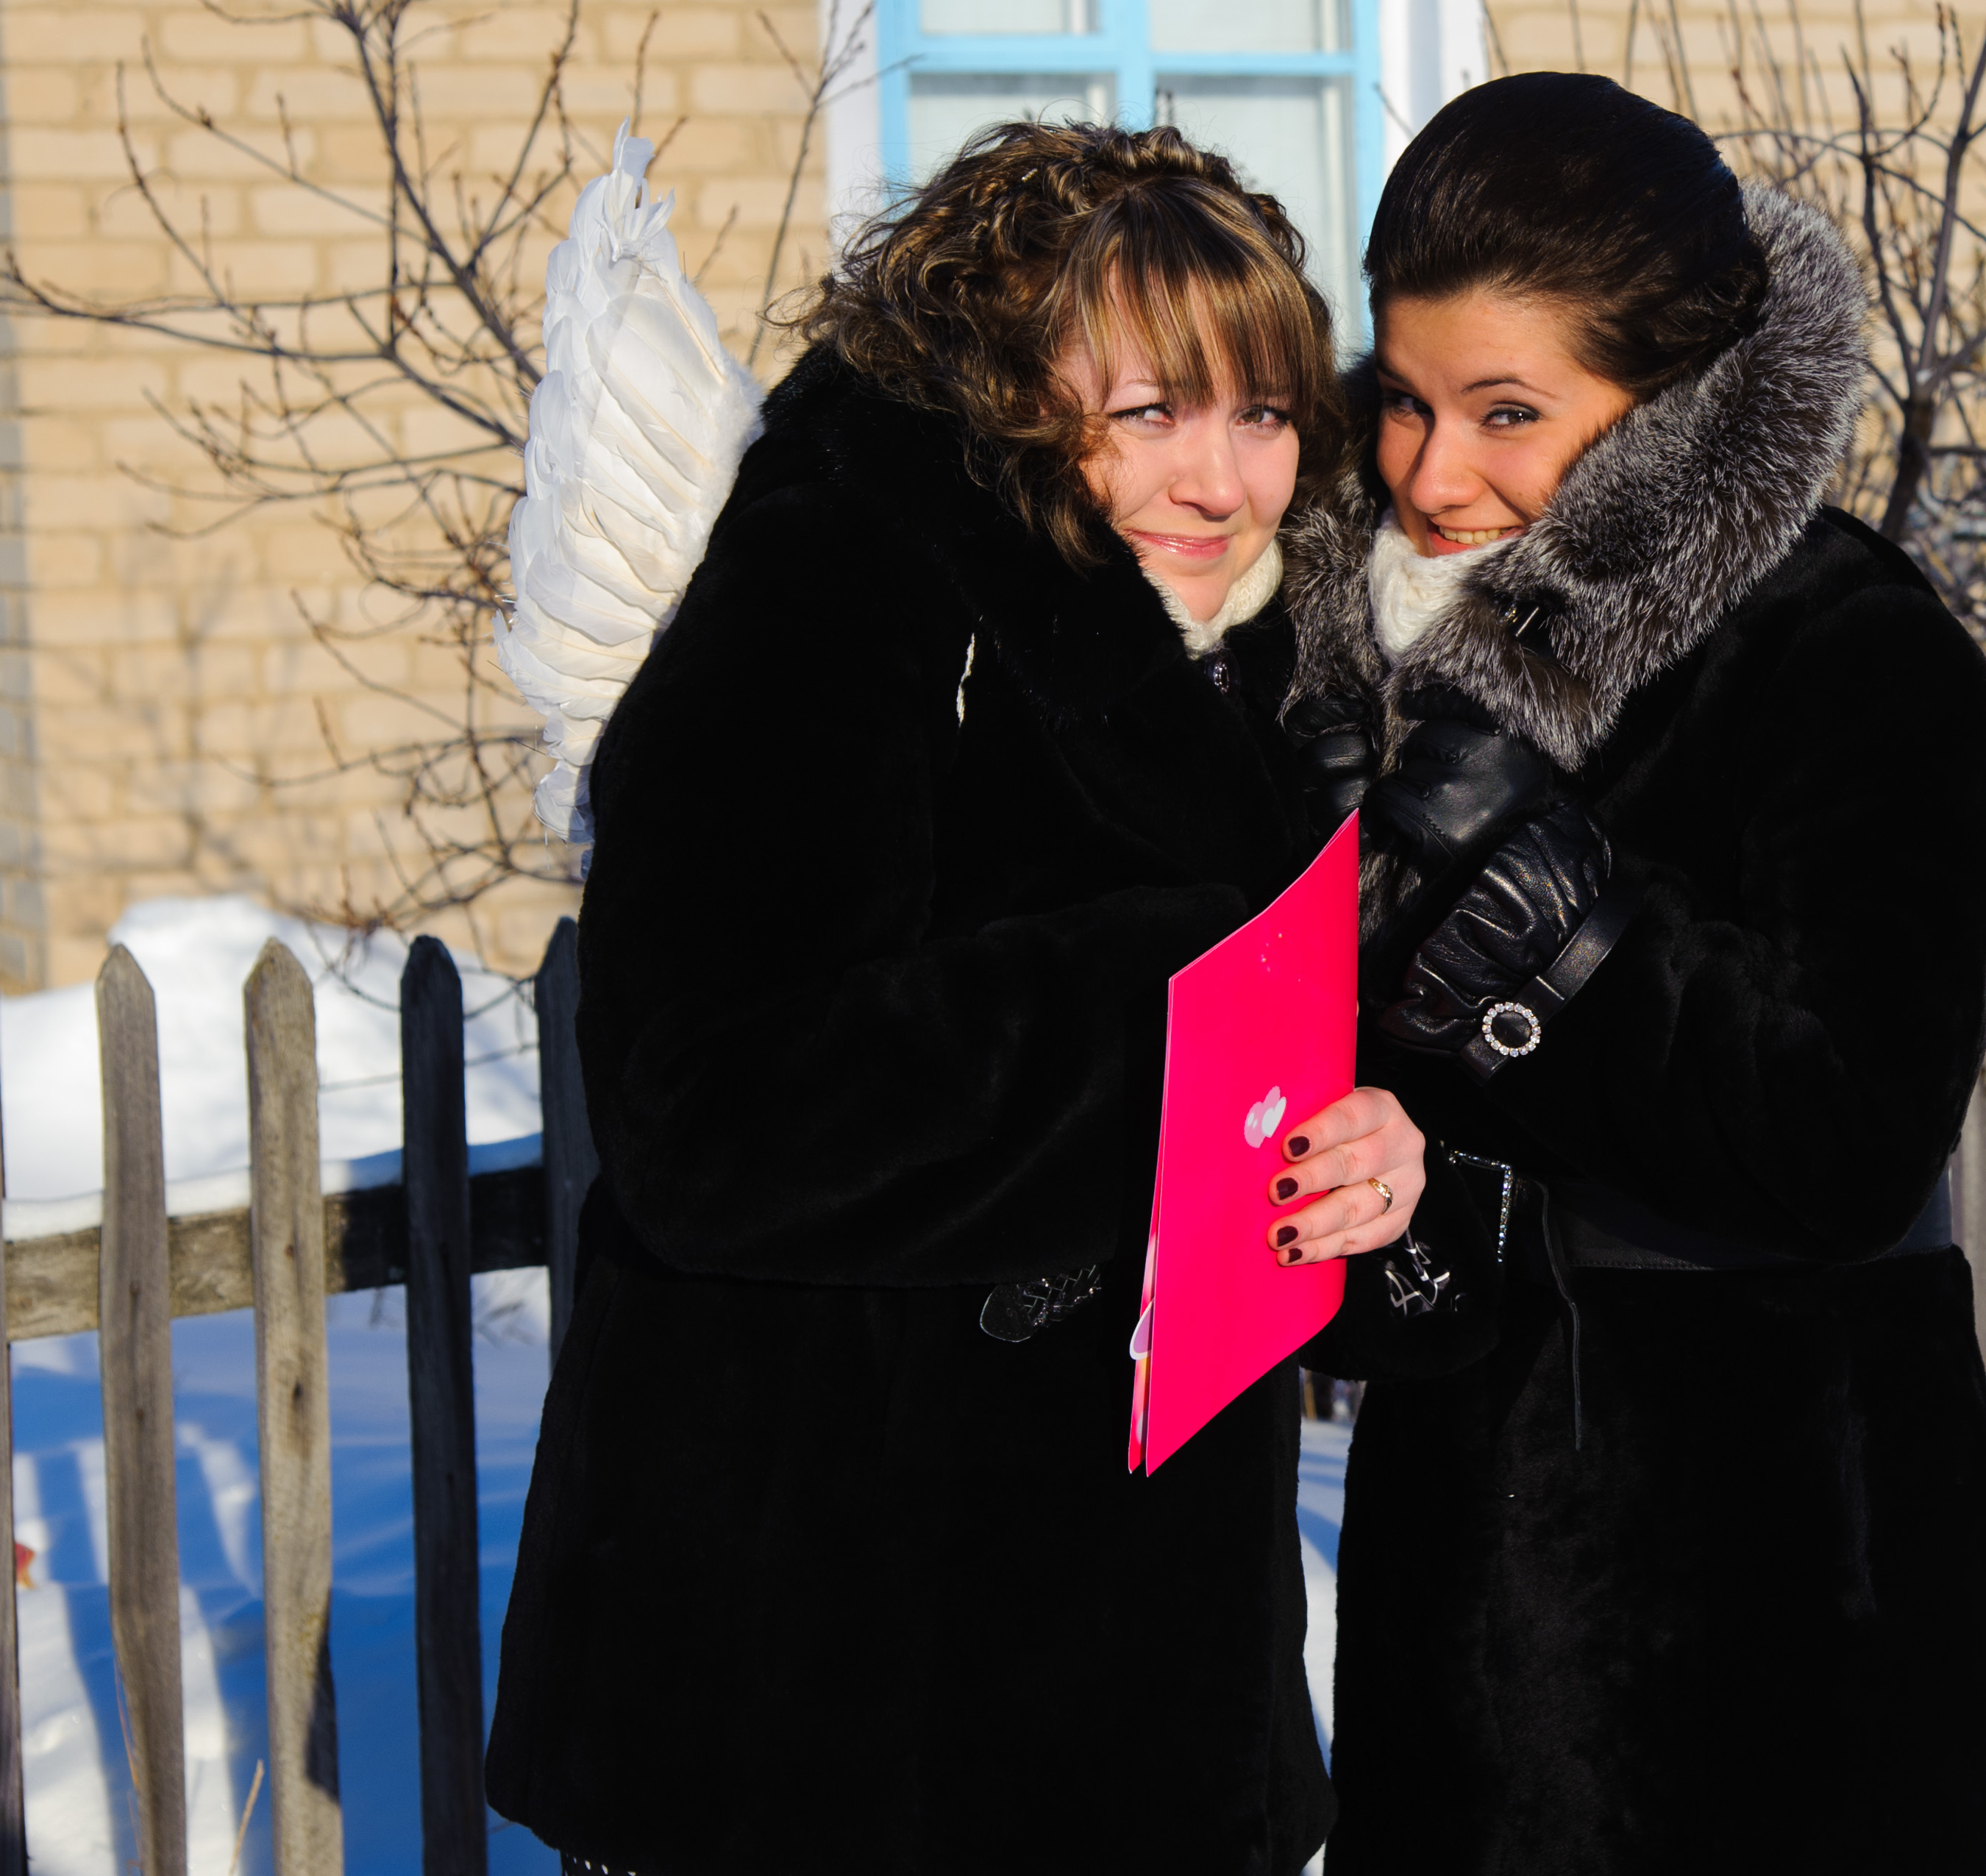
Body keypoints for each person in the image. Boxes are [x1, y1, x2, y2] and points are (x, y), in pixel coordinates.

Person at [485, 122, 1425, 1875]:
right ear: (1011, 399)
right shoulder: (835, 588)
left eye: (1262, 413)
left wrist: (1356, 1160)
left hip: (1126, 1658)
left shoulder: (1263, 661)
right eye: (1149, 412)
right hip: (827, 1670)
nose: (1221, 478)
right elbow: (710, 1114)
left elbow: (1247, 1128)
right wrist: (1157, 1015)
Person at [1286, 74, 1986, 1874]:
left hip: (1779, 1586)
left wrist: (1537, 916)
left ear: (1670, 403)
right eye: (1405, 399)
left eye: (1506, 412)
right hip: (1463, 1577)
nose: (1430, 475)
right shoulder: (1359, 660)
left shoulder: (1847, 648)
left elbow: (1852, 1138)